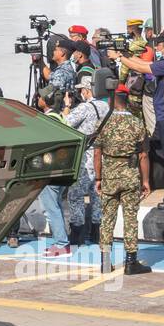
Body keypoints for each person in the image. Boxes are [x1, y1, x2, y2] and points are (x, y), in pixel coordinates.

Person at [111, 28, 164, 208]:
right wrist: (126, 54)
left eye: (160, 45)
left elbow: (141, 67)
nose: (158, 49)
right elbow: (142, 62)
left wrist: (119, 58)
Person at [93, 84, 153, 275]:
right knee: (130, 218)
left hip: (109, 175)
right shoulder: (137, 123)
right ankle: (130, 261)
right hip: (130, 175)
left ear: (111, 100)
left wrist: (98, 178)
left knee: (107, 219)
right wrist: (146, 181)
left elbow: (97, 153)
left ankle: (105, 261)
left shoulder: (104, 123)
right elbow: (143, 155)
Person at [63, 74, 109, 245]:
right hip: (102, 157)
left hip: (85, 158)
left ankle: (77, 234)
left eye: (82, 89)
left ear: (87, 91)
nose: (81, 93)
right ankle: (97, 233)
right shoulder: (106, 106)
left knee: (75, 196)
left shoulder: (84, 108)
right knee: (98, 195)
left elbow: (66, 124)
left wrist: (67, 107)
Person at [35, 85, 74, 258]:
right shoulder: (59, 117)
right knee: (56, 206)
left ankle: (62, 244)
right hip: (61, 171)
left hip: (51, 173)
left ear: (46, 101)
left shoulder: (48, 119)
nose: (38, 99)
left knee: (52, 208)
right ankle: (61, 240)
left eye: (41, 97)